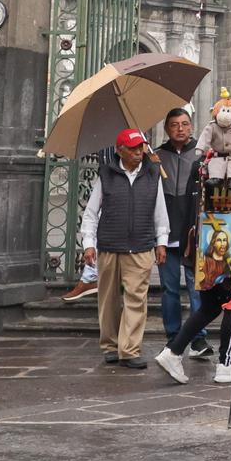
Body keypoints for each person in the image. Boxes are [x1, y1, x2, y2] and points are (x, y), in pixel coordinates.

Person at [155, 139, 231, 385]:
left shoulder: (200, 163)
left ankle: (173, 351)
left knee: (210, 306)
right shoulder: (215, 167)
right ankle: (227, 363)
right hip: (221, 246)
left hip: (202, 245)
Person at [81, 129, 169, 368]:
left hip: (141, 245)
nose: (138, 152)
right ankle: (110, 345)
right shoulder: (106, 174)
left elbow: (159, 211)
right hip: (110, 245)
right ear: (120, 150)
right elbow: (91, 213)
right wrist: (88, 243)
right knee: (108, 299)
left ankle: (129, 349)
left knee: (136, 298)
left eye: (140, 147)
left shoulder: (152, 174)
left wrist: (161, 241)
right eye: (132, 148)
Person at [155, 108, 212, 357]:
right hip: (166, 233)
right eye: (174, 125)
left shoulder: (202, 156)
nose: (180, 129)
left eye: (185, 124)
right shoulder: (156, 156)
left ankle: (198, 338)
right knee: (169, 289)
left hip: (193, 233)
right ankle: (172, 335)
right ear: (167, 129)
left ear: (191, 127)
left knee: (196, 286)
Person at [61, 146, 117, 302]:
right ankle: (90, 276)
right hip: (110, 181)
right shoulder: (107, 140)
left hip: (125, 183)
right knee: (99, 221)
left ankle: (90, 277)